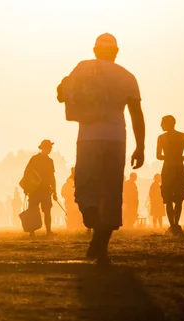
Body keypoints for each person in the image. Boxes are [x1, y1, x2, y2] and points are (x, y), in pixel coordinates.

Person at [57, 33, 145, 264]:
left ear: (95, 50)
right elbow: (136, 114)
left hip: (88, 139)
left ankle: (93, 223)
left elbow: (61, 95)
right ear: (116, 52)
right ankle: (101, 247)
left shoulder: (83, 68)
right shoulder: (127, 76)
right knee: (112, 194)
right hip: (116, 139)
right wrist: (141, 146)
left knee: (87, 190)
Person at [156, 115, 184, 235]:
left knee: (168, 199)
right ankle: (175, 224)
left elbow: (158, 156)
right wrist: (179, 157)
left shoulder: (161, 138)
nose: (161, 125)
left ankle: (172, 225)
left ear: (168, 123)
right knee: (178, 199)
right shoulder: (183, 136)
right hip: (179, 168)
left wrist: (169, 157)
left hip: (167, 169)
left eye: (162, 123)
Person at [22, 140, 58, 237]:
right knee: (33, 210)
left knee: (47, 211)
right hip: (35, 189)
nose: (50, 149)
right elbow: (27, 173)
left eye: (50, 147)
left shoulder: (49, 161)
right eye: (49, 147)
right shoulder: (34, 159)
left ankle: (48, 231)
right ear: (43, 148)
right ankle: (32, 231)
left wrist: (54, 191)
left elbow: (52, 177)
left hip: (45, 189)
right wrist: (26, 187)